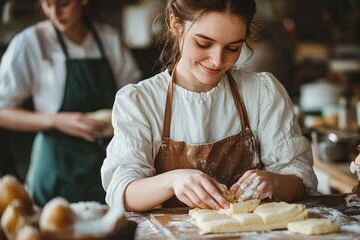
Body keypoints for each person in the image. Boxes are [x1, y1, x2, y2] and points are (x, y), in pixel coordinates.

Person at [101, 0, 317, 212]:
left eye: (233, 48)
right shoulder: (141, 101)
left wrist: (274, 181)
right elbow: (122, 192)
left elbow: (299, 180)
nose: (217, 61)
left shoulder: (262, 93)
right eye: (203, 44)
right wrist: (174, 180)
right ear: (175, 25)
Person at [0, 0, 141, 206]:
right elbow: (2, 110)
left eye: (64, 4)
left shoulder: (109, 39)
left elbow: (134, 99)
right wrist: (55, 121)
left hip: (105, 162)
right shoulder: (31, 42)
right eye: (48, 4)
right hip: (55, 165)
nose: (55, 13)